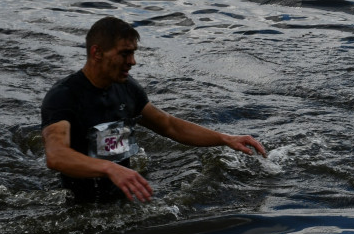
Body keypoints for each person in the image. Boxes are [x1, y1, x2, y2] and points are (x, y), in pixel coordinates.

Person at [41, 16, 266, 203]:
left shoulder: (127, 88)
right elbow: (56, 155)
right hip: (79, 204)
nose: (133, 61)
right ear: (97, 52)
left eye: (133, 53)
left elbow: (168, 125)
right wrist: (109, 168)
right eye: (124, 54)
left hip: (125, 193)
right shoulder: (63, 96)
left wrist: (225, 138)